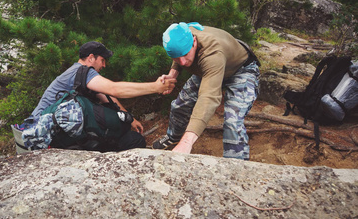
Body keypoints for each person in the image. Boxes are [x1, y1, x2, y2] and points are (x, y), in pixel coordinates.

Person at [25, 41, 176, 152]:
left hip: (50, 131)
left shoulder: (77, 74)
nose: (104, 65)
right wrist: (155, 87)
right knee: (132, 142)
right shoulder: (83, 72)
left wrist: (130, 118)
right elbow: (114, 89)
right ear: (91, 58)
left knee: (132, 139)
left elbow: (108, 96)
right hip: (46, 134)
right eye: (102, 60)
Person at [152, 22, 260, 160]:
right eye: (177, 58)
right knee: (179, 105)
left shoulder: (212, 53)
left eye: (185, 54)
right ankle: (174, 138)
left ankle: (236, 165)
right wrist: (173, 74)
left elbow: (208, 97)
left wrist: (187, 143)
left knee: (233, 121)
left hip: (240, 69)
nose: (183, 62)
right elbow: (179, 53)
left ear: (194, 41)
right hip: (207, 69)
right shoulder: (181, 34)